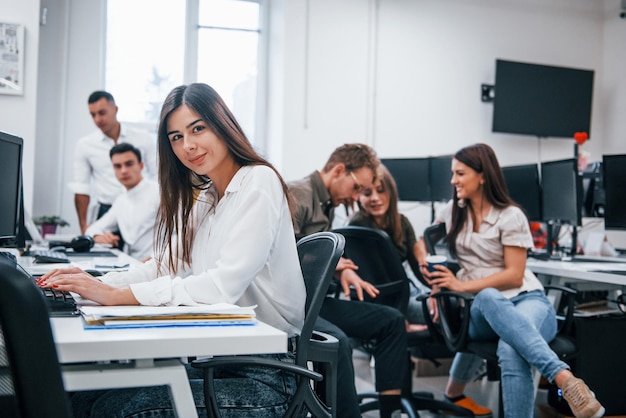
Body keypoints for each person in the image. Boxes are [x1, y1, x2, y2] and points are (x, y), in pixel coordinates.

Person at [40, 83, 306, 417]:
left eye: (198, 128)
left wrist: (115, 296)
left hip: (266, 374)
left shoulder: (258, 180)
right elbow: (163, 266)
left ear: (223, 123)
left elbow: (221, 287)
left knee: (119, 408)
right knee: (86, 396)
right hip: (218, 358)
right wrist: (94, 283)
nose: (188, 145)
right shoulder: (207, 196)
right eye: (176, 137)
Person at [416, 143, 605, 418]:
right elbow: (423, 240)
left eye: (460, 173)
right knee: (489, 296)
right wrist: (427, 264)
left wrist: (459, 285)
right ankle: (563, 377)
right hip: (479, 308)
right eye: (453, 173)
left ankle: (569, 387)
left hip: (527, 298)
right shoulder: (453, 211)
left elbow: (514, 275)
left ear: (482, 175)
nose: (452, 180)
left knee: (511, 347)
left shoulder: (510, 215)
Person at [350, 163, 493, 417]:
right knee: (464, 314)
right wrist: (401, 317)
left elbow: (419, 270)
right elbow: (372, 285)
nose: (374, 198)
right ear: (358, 196)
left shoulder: (401, 222)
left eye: (380, 191)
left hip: (406, 298)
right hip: (381, 306)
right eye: (367, 193)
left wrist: (436, 291)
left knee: (461, 307)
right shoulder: (359, 225)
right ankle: (451, 391)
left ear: (391, 193)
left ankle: (455, 389)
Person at [289, 143, 409, 418]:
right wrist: (332, 265)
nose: (357, 197)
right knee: (338, 342)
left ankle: (391, 413)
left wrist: (341, 269)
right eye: (357, 188)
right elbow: (282, 253)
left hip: (316, 302)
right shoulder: (298, 193)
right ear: (339, 170)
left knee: (391, 321)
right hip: (293, 305)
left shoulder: (325, 203)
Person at [70, 90, 157, 234]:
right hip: (107, 210)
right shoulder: (85, 145)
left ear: (115, 109)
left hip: (141, 209)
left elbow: (157, 176)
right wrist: (84, 227)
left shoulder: (143, 138)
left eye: (102, 113)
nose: (98, 119)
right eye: (93, 115)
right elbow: (81, 187)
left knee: (140, 251)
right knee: (103, 253)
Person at [84, 143, 159, 261]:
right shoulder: (121, 201)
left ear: (141, 166)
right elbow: (91, 229)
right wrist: (98, 237)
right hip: (133, 266)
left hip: (161, 266)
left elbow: (182, 234)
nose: (123, 171)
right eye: (118, 166)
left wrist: (156, 258)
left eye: (129, 164)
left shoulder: (160, 193)